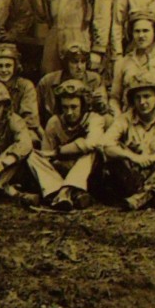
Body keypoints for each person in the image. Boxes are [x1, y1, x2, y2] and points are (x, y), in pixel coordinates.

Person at [101, 71, 155, 211]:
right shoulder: (125, 119)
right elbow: (106, 144)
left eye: (147, 96)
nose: (143, 102)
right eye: (138, 98)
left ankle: (142, 197)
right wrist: (134, 157)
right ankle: (154, 197)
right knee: (115, 151)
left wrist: (152, 157)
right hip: (133, 175)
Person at [25, 80, 105, 211]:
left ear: (83, 105)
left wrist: (58, 152)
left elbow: (91, 143)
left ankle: (64, 192)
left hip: (86, 172)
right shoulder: (54, 122)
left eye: (74, 107)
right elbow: (46, 155)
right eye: (65, 107)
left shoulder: (94, 119)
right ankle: (66, 193)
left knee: (93, 152)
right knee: (32, 156)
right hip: (60, 170)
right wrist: (53, 157)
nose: (69, 112)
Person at [0, 43, 41, 144]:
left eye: (8, 66)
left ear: (15, 66)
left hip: (17, 131)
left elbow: (30, 119)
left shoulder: (25, 86)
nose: (4, 70)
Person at [36, 39, 109, 124]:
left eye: (83, 61)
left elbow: (104, 112)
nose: (79, 67)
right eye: (74, 62)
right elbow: (36, 115)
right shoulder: (48, 82)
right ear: (66, 63)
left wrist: (100, 104)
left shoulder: (95, 80)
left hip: (86, 128)